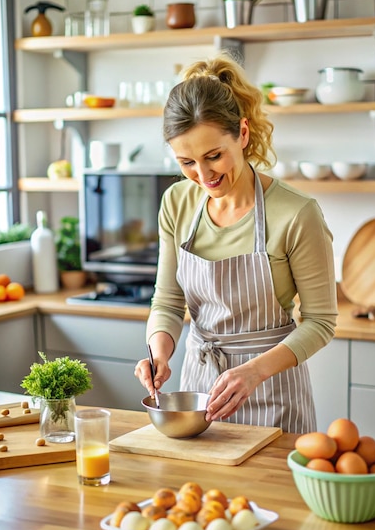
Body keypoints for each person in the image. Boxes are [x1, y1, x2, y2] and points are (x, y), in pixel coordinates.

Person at [134, 54, 338, 433]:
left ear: (242, 134)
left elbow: (321, 322)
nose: (203, 175)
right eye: (187, 163)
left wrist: (256, 370)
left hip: (273, 393)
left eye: (214, 156)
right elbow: (167, 301)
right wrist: (159, 352)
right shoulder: (176, 203)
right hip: (198, 396)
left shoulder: (296, 214)